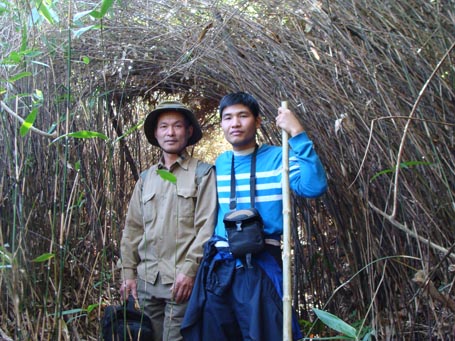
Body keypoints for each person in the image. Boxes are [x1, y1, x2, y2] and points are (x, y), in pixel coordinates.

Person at [181, 92, 327, 340]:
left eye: (243, 116)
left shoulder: (279, 156)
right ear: (222, 125)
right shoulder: (221, 162)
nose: (235, 124)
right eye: (227, 118)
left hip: (260, 265)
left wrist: (297, 133)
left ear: (257, 122)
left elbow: (314, 187)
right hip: (220, 266)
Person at [119, 100, 217, 341]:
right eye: (164, 127)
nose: (170, 133)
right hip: (146, 280)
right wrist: (128, 274)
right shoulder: (146, 179)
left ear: (189, 131)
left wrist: (189, 271)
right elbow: (132, 229)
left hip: (181, 283)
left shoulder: (202, 174)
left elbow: (207, 228)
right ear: (156, 133)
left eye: (177, 126)